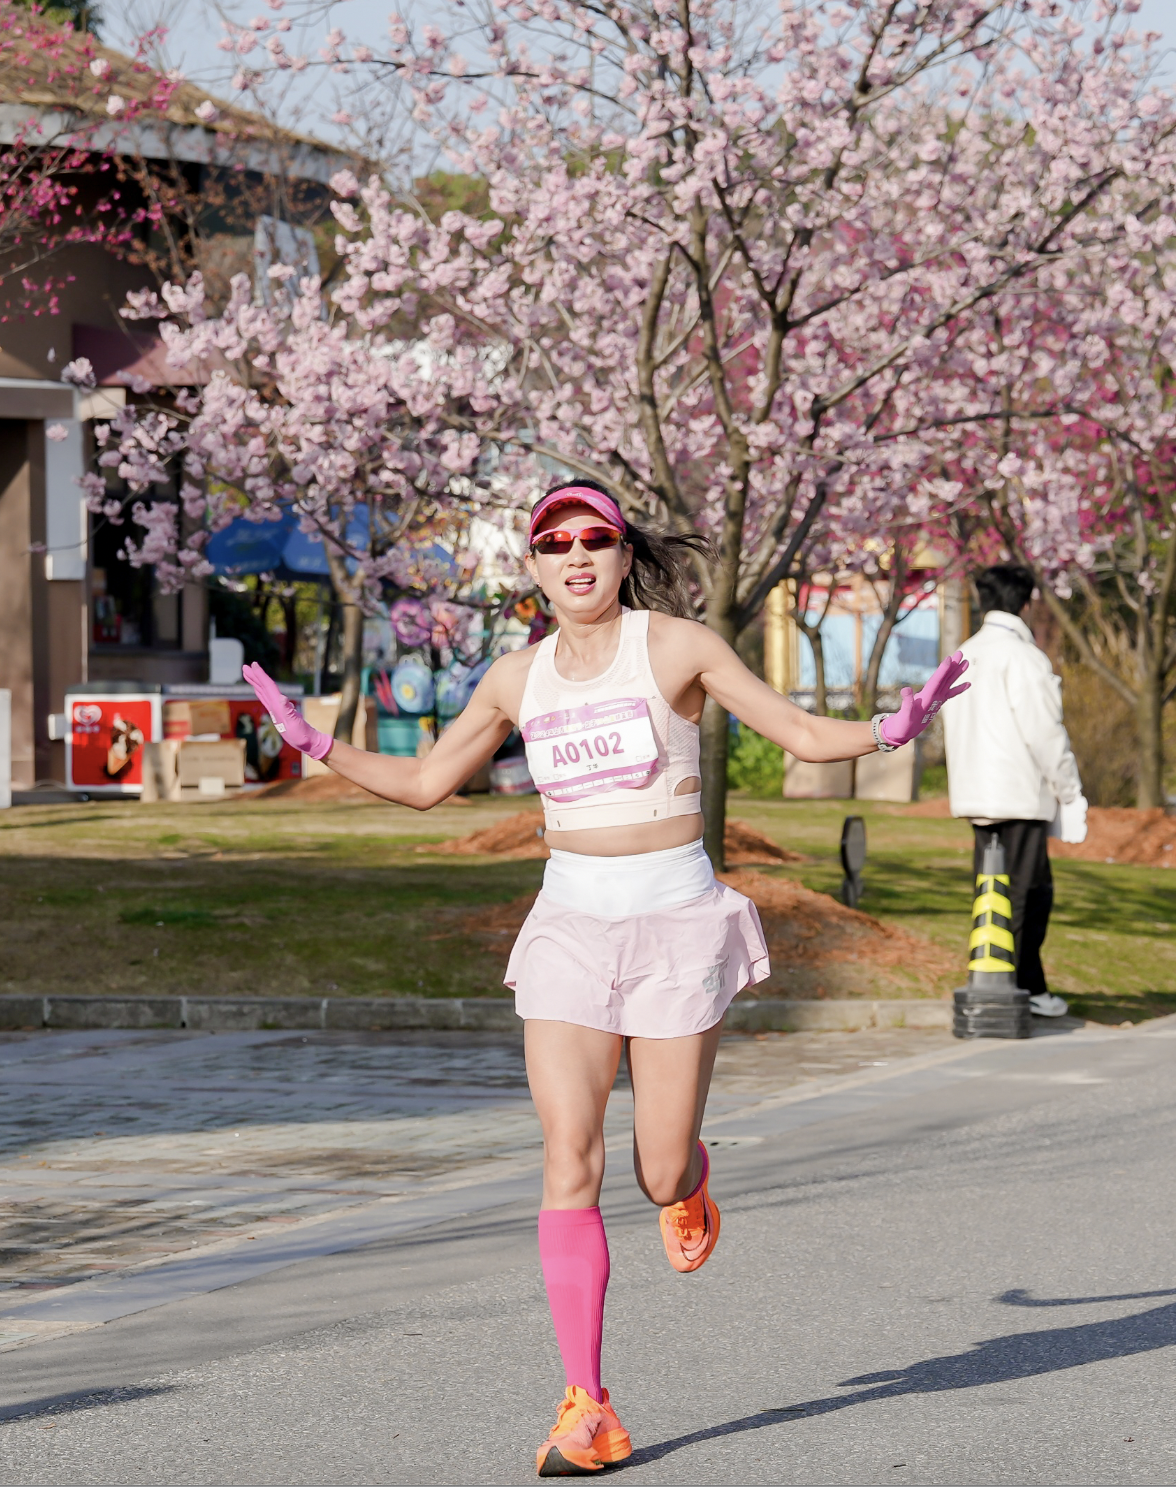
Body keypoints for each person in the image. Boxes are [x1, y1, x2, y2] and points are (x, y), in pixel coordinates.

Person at [240, 482, 968, 1476]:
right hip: (571, 928)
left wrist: (889, 730)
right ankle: (587, 1406)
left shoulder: (675, 648)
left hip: (673, 922)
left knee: (655, 1167)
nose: (576, 555)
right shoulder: (513, 678)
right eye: (554, 543)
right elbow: (420, 785)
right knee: (565, 1159)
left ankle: (690, 1182)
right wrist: (318, 745)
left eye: (595, 539)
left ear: (624, 556)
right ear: (532, 566)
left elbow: (797, 734)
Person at [941, 564, 1088, 1019]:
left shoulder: (965, 652)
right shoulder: (1024, 657)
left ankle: (1005, 983)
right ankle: (1020, 987)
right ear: (1026, 603)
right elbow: (1045, 732)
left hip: (974, 791)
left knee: (991, 890)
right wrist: (1070, 790)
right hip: (1019, 791)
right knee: (1029, 892)